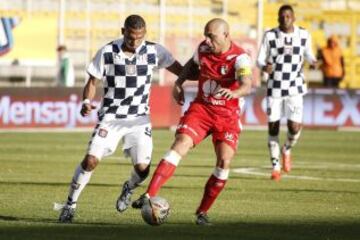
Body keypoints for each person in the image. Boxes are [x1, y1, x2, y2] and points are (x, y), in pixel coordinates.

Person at [58, 14, 183, 223]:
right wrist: (86, 102)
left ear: (145, 34)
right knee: (90, 160)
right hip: (111, 118)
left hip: (139, 119)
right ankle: (69, 205)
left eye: (140, 37)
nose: (135, 42)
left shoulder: (154, 51)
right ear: (123, 31)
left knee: (143, 170)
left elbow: (180, 69)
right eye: (131, 37)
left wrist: (197, 75)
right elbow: (92, 81)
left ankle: (129, 187)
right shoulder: (108, 52)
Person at [132, 18, 253, 225]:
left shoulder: (240, 58)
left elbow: (246, 85)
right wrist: (179, 82)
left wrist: (233, 93)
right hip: (202, 110)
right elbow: (191, 65)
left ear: (225, 35)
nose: (207, 39)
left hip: (227, 116)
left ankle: (202, 213)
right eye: (205, 35)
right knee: (180, 144)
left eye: (211, 36)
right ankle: (149, 194)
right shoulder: (203, 49)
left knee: (224, 161)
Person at [257, 5, 317, 181]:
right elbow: (259, 59)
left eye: (288, 16)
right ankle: (275, 167)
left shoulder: (304, 34)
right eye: (282, 16)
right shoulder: (270, 35)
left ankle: (287, 149)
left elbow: (309, 54)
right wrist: (263, 67)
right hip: (275, 86)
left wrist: (313, 61)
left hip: (295, 86)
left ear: (294, 17)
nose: (285, 19)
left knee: (294, 127)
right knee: (273, 127)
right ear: (278, 18)